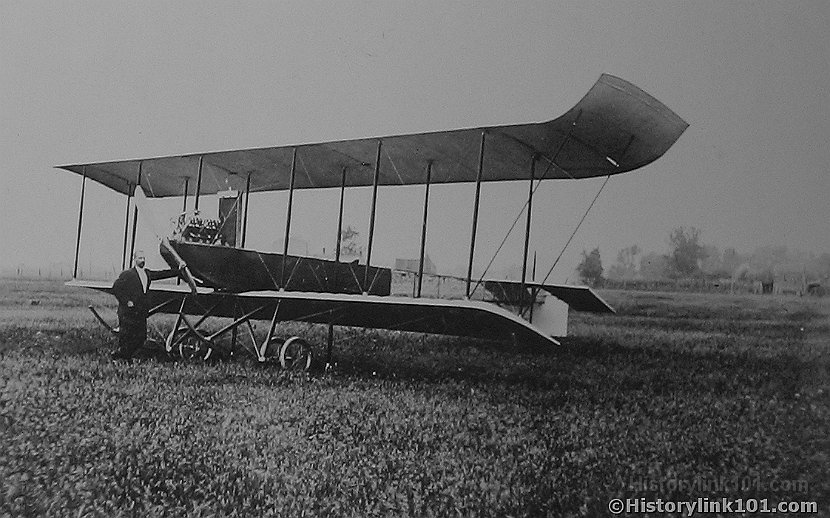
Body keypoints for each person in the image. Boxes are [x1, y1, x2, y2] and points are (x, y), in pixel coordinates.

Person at [111, 250, 181, 361]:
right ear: (134, 260)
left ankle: (127, 357)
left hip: (140, 312)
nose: (142, 260)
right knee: (127, 336)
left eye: (144, 258)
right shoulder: (128, 274)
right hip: (128, 312)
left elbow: (161, 274)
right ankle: (118, 357)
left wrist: (178, 271)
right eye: (140, 258)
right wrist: (126, 301)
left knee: (141, 337)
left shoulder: (147, 273)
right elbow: (116, 288)